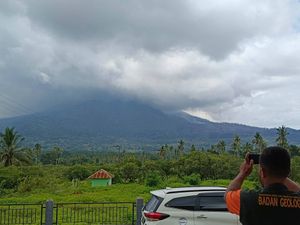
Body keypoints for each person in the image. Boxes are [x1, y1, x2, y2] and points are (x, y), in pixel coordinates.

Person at [225, 146, 300, 225]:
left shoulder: (248, 199)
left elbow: (228, 195)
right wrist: (281, 173)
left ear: (263, 172)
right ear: (288, 172)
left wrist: (242, 173)